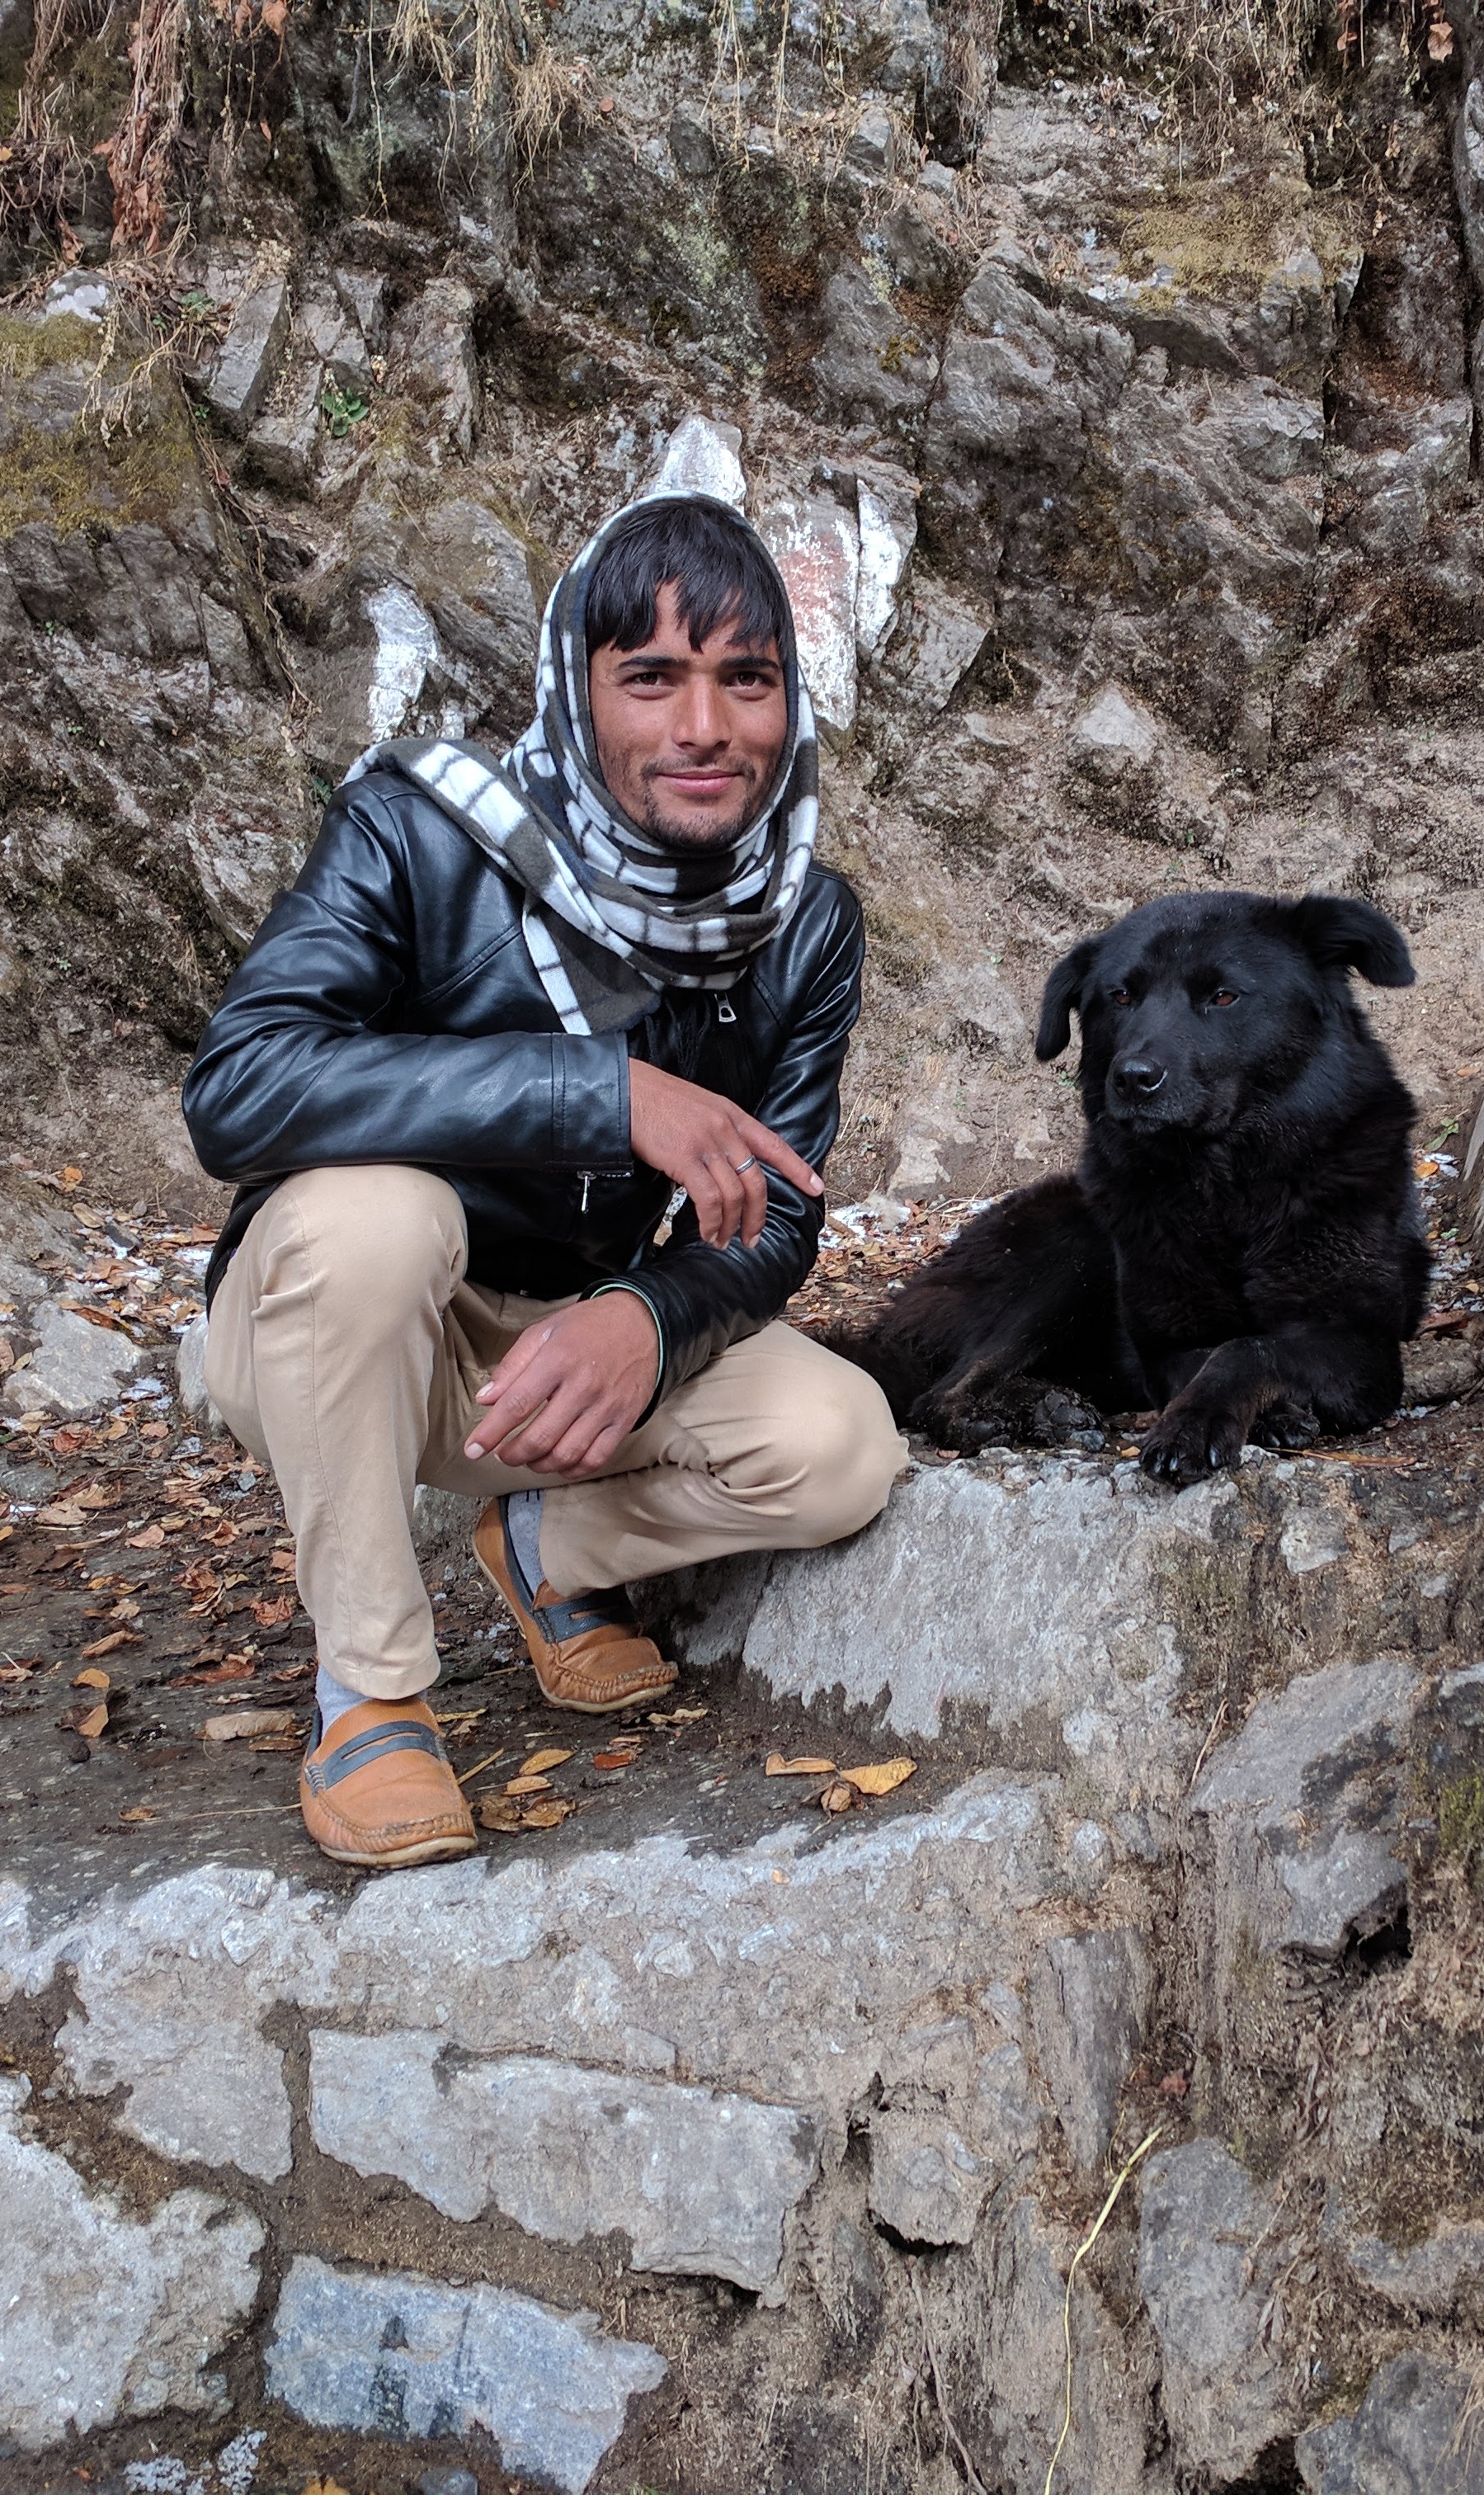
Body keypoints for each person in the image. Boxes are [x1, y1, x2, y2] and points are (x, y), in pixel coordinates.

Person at [182, 493, 908, 1869]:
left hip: (564, 1360)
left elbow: (783, 1204)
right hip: (354, 1330)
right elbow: (242, 1089)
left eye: (745, 680)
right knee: (374, 1219)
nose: (704, 727)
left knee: (841, 1448)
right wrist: (601, 1095)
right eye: (653, 678)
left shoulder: (803, 921)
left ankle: (548, 1550)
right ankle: (374, 1698)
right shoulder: (419, 830)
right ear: (577, 697)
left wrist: (647, 1316)